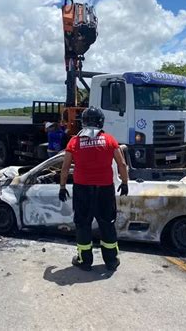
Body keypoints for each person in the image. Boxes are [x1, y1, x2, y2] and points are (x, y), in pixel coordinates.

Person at [59, 107, 129, 271]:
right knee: (107, 223)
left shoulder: (74, 142)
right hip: (105, 189)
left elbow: (64, 168)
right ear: (101, 121)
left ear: (83, 122)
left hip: (82, 189)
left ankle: (85, 260)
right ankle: (111, 261)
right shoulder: (110, 140)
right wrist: (124, 182)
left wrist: (62, 187)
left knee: (83, 224)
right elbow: (122, 164)